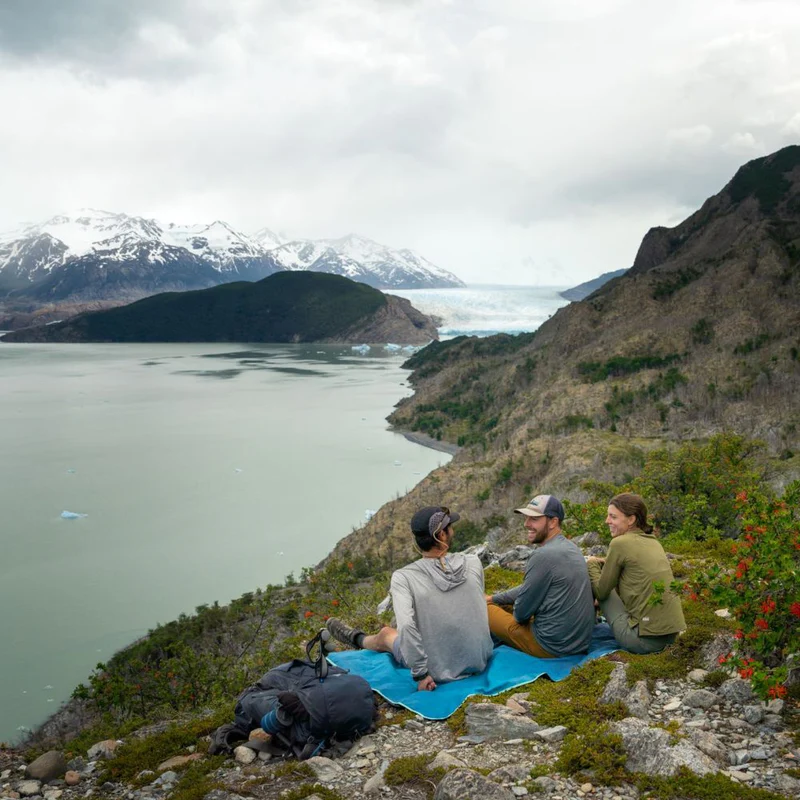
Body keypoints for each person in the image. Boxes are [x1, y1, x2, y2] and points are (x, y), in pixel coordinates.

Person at [326, 505, 493, 691]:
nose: (452, 530)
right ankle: (356, 637)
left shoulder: (404, 577)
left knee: (387, 634)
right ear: (442, 535)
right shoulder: (473, 562)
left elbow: (406, 626)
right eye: (450, 527)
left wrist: (421, 674)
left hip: (438, 670)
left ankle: (357, 638)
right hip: (480, 659)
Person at [486, 494, 595, 657]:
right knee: (497, 603)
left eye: (534, 519)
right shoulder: (571, 548)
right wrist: (494, 598)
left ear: (553, 522)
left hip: (550, 647)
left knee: (484, 608)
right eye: (526, 518)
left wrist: (491, 603)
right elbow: (530, 588)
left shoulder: (543, 555)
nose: (526, 524)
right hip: (579, 643)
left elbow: (520, 615)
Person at [587, 493, 686, 654]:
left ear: (631, 519)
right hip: (670, 638)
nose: (607, 521)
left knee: (601, 585)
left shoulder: (619, 543)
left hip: (641, 641)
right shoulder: (653, 542)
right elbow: (634, 569)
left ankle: (585, 629)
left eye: (613, 517)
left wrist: (591, 563)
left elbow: (602, 591)